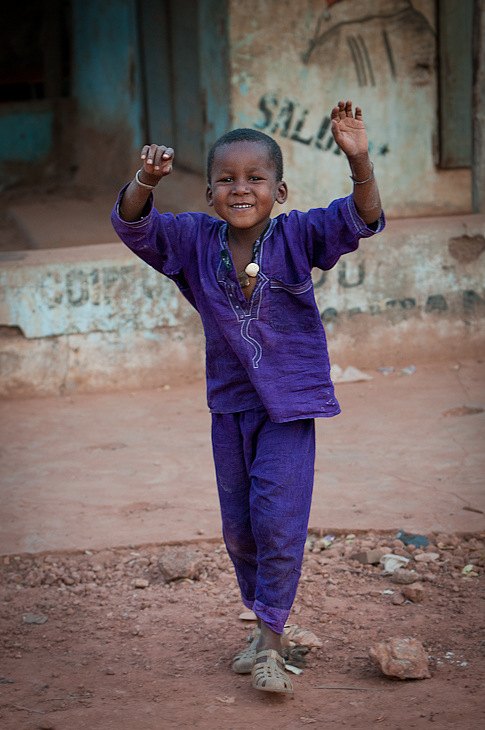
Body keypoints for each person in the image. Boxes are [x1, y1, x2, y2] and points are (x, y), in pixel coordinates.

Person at [111, 100, 384, 695]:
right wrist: (144, 182)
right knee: (239, 529)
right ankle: (262, 621)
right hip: (230, 405)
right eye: (227, 180)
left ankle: (271, 642)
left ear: (279, 189)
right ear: (208, 191)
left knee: (277, 521)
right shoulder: (190, 240)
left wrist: (358, 158)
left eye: (255, 179)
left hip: (288, 406)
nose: (241, 189)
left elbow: (362, 218)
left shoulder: (300, 234)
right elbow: (135, 225)